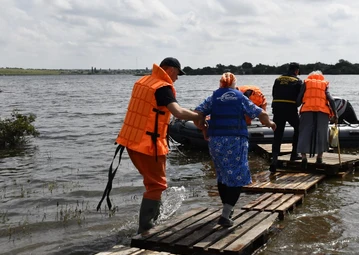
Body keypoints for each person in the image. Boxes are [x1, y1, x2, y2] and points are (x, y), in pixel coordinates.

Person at [109, 57, 203, 234]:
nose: (176, 78)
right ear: (169, 69)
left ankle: (152, 221)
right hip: (147, 145)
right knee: (157, 186)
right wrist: (199, 117)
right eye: (177, 74)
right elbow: (178, 111)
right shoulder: (163, 87)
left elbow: (150, 111)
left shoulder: (143, 81)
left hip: (130, 141)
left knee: (152, 184)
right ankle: (146, 229)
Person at [194, 72, 276, 227]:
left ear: (221, 84)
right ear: (234, 84)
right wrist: (270, 124)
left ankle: (227, 209)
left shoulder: (213, 98)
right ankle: (225, 214)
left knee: (222, 175)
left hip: (216, 141)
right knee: (238, 176)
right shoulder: (240, 97)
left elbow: (197, 115)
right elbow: (261, 113)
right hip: (235, 140)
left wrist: (204, 129)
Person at [297, 70, 338, 166]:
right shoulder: (324, 84)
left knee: (304, 132)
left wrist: (298, 104)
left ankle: (303, 157)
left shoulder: (306, 83)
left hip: (307, 110)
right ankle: (319, 158)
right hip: (322, 112)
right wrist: (335, 114)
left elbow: (299, 98)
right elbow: (331, 99)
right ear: (321, 77)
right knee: (322, 133)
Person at [270, 62, 303, 173]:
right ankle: (294, 154)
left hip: (277, 107)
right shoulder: (297, 81)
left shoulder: (278, 79)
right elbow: (299, 98)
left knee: (278, 133)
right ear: (296, 71)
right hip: (290, 108)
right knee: (298, 128)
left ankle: (274, 159)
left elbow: (273, 94)